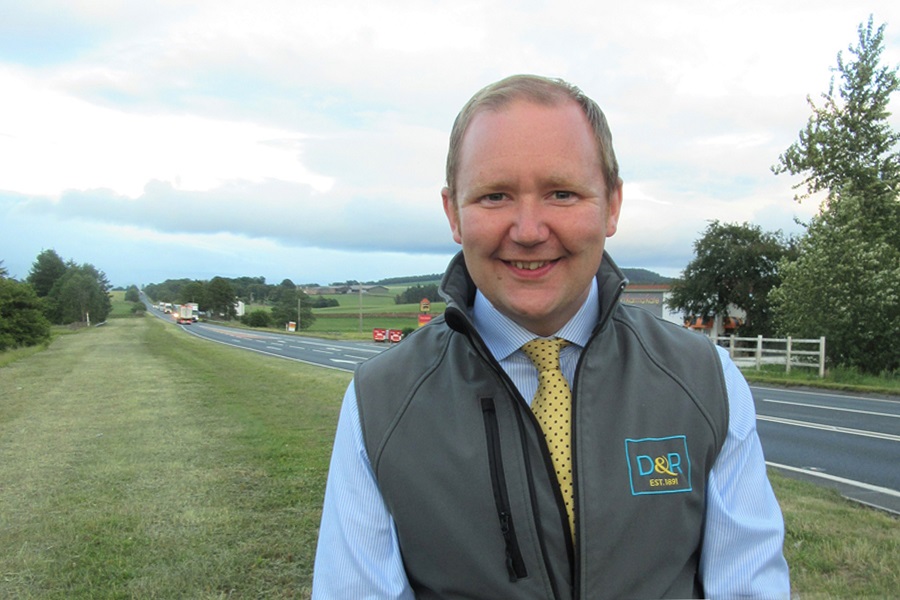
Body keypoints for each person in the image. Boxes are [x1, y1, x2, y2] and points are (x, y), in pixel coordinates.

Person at [312, 74, 790, 599]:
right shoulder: (379, 402)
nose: (529, 229)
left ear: (611, 204)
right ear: (453, 213)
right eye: (495, 196)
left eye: (561, 193)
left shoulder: (705, 379)